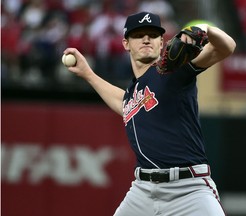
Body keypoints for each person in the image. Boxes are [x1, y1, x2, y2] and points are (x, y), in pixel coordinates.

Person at [63, 11, 236, 216]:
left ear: (162, 43)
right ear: (126, 44)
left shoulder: (174, 69)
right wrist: (87, 74)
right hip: (142, 191)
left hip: (188, 190)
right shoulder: (133, 92)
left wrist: (205, 30)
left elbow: (227, 47)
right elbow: (123, 103)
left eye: (153, 35)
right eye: (138, 35)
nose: (146, 39)